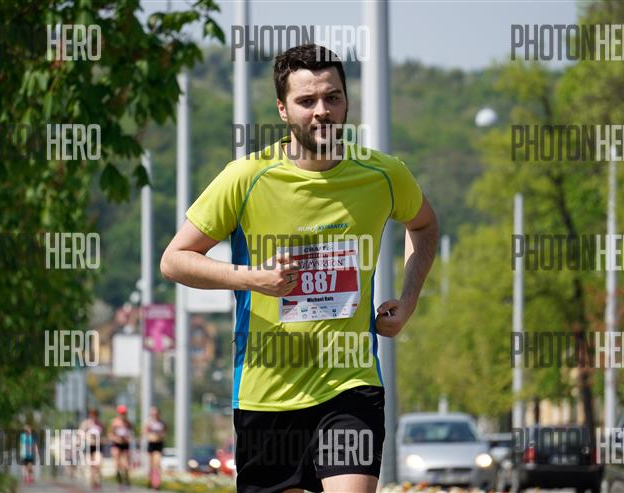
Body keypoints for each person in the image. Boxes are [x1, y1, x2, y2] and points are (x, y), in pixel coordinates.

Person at [161, 43, 438, 493]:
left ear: (347, 101)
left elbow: (423, 225)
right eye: (306, 101)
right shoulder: (246, 177)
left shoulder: (383, 174)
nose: (321, 111)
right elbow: (174, 260)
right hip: (266, 393)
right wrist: (253, 278)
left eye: (332, 97)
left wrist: (408, 302)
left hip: (350, 384)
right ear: (283, 109)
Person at [108, 405, 133, 490]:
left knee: (126, 465)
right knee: (117, 464)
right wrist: (116, 438)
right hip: (116, 444)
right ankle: (119, 481)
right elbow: (110, 434)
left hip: (125, 444)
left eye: (124, 413)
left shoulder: (128, 423)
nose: (123, 415)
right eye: (121, 413)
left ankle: (126, 479)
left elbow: (131, 433)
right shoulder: (114, 422)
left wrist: (128, 438)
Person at [79, 408, 104, 489]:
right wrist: (85, 437)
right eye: (92, 414)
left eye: (95, 414)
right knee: (91, 465)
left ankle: (97, 480)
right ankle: (92, 481)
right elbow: (80, 433)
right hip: (88, 446)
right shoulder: (86, 423)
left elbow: (104, 435)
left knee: (98, 464)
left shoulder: (100, 424)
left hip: (98, 446)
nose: (94, 416)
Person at [143, 406, 167, 490]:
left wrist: (160, 436)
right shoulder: (149, 423)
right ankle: (149, 480)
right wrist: (151, 436)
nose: (155, 415)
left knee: (157, 463)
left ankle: (156, 483)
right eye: (153, 414)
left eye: (156, 414)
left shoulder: (162, 423)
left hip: (159, 444)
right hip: (151, 444)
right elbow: (145, 432)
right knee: (150, 464)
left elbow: (165, 432)